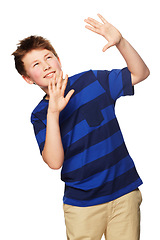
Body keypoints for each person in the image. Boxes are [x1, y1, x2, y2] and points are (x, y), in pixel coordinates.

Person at [12, 14, 150, 240]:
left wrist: (121, 42)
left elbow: (140, 73)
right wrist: (54, 112)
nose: (46, 66)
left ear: (58, 58)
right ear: (28, 78)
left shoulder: (92, 80)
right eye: (36, 64)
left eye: (49, 57)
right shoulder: (39, 115)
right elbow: (54, 162)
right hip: (82, 206)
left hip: (124, 193)